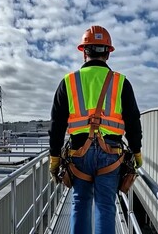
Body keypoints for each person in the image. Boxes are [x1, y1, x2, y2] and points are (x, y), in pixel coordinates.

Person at [48, 25, 143, 234]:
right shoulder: (121, 82)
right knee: (106, 206)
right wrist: (136, 152)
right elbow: (133, 122)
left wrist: (54, 158)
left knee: (81, 202)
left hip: (79, 153)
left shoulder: (68, 82)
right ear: (108, 53)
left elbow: (57, 124)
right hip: (112, 155)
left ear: (84, 51)